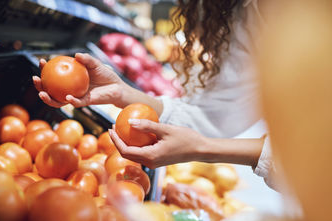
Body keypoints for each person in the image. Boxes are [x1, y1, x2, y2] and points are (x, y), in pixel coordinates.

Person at [33, 0, 274, 183]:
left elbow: (310, 156)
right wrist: (122, 93)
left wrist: (202, 147)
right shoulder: (245, 13)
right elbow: (211, 117)